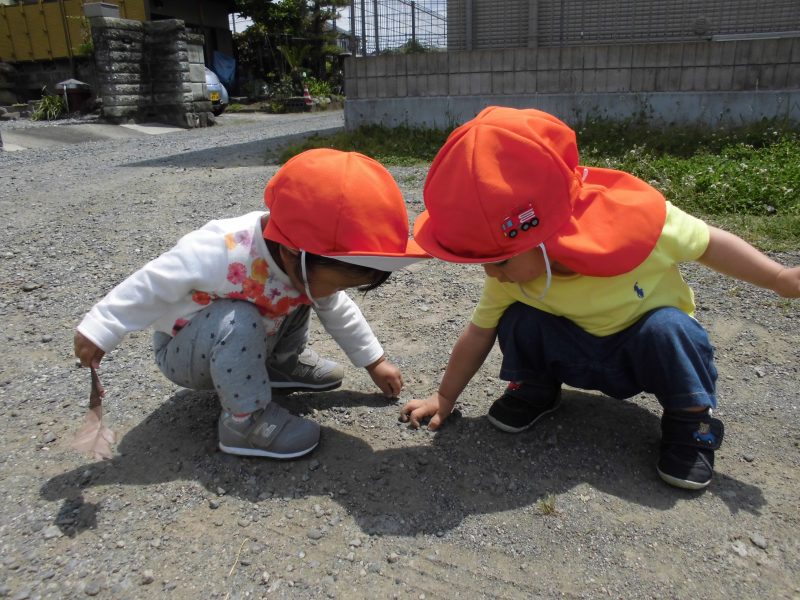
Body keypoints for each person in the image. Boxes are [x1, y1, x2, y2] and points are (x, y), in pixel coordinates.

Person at [400, 106, 799, 490]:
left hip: (640, 353)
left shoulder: (637, 225)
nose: (491, 272)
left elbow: (709, 243)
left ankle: (691, 423)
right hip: (575, 353)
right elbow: (477, 334)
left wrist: (779, 278)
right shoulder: (512, 276)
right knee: (518, 319)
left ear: (541, 234)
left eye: (499, 260)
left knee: (672, 330)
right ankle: (536, 388)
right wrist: (445, 395)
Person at [75, 149, 428, 460]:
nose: (336, 292)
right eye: (339, 282)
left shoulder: (303, 262)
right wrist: (101, 328)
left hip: (250, 338)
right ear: (293, 253)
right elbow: (153, 282)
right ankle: (245, 421)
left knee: (306, 295)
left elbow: (336, 307)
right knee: (244, 314)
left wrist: (374, 360)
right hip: (186, 351)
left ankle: (280, 366)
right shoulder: (222, 249)